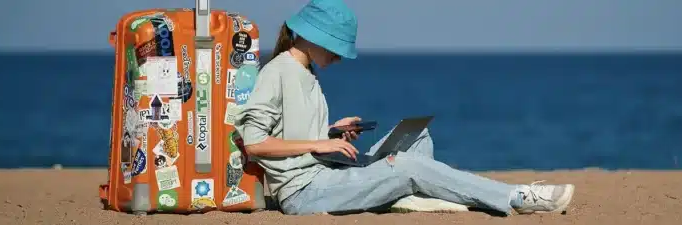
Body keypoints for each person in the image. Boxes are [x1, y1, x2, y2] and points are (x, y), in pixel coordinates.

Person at [231, 0, 575, 216]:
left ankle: (404, 192)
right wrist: (318, 144)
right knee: (407, 166)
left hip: (326, 172)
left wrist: (331, 132)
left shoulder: (304, 71)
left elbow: (290, 133)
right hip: (305, 192)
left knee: (416, 138)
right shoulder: (277, 71)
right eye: (336, 48)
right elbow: (256, 143)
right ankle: (516, 197)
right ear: (313, 37)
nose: (337, 57)